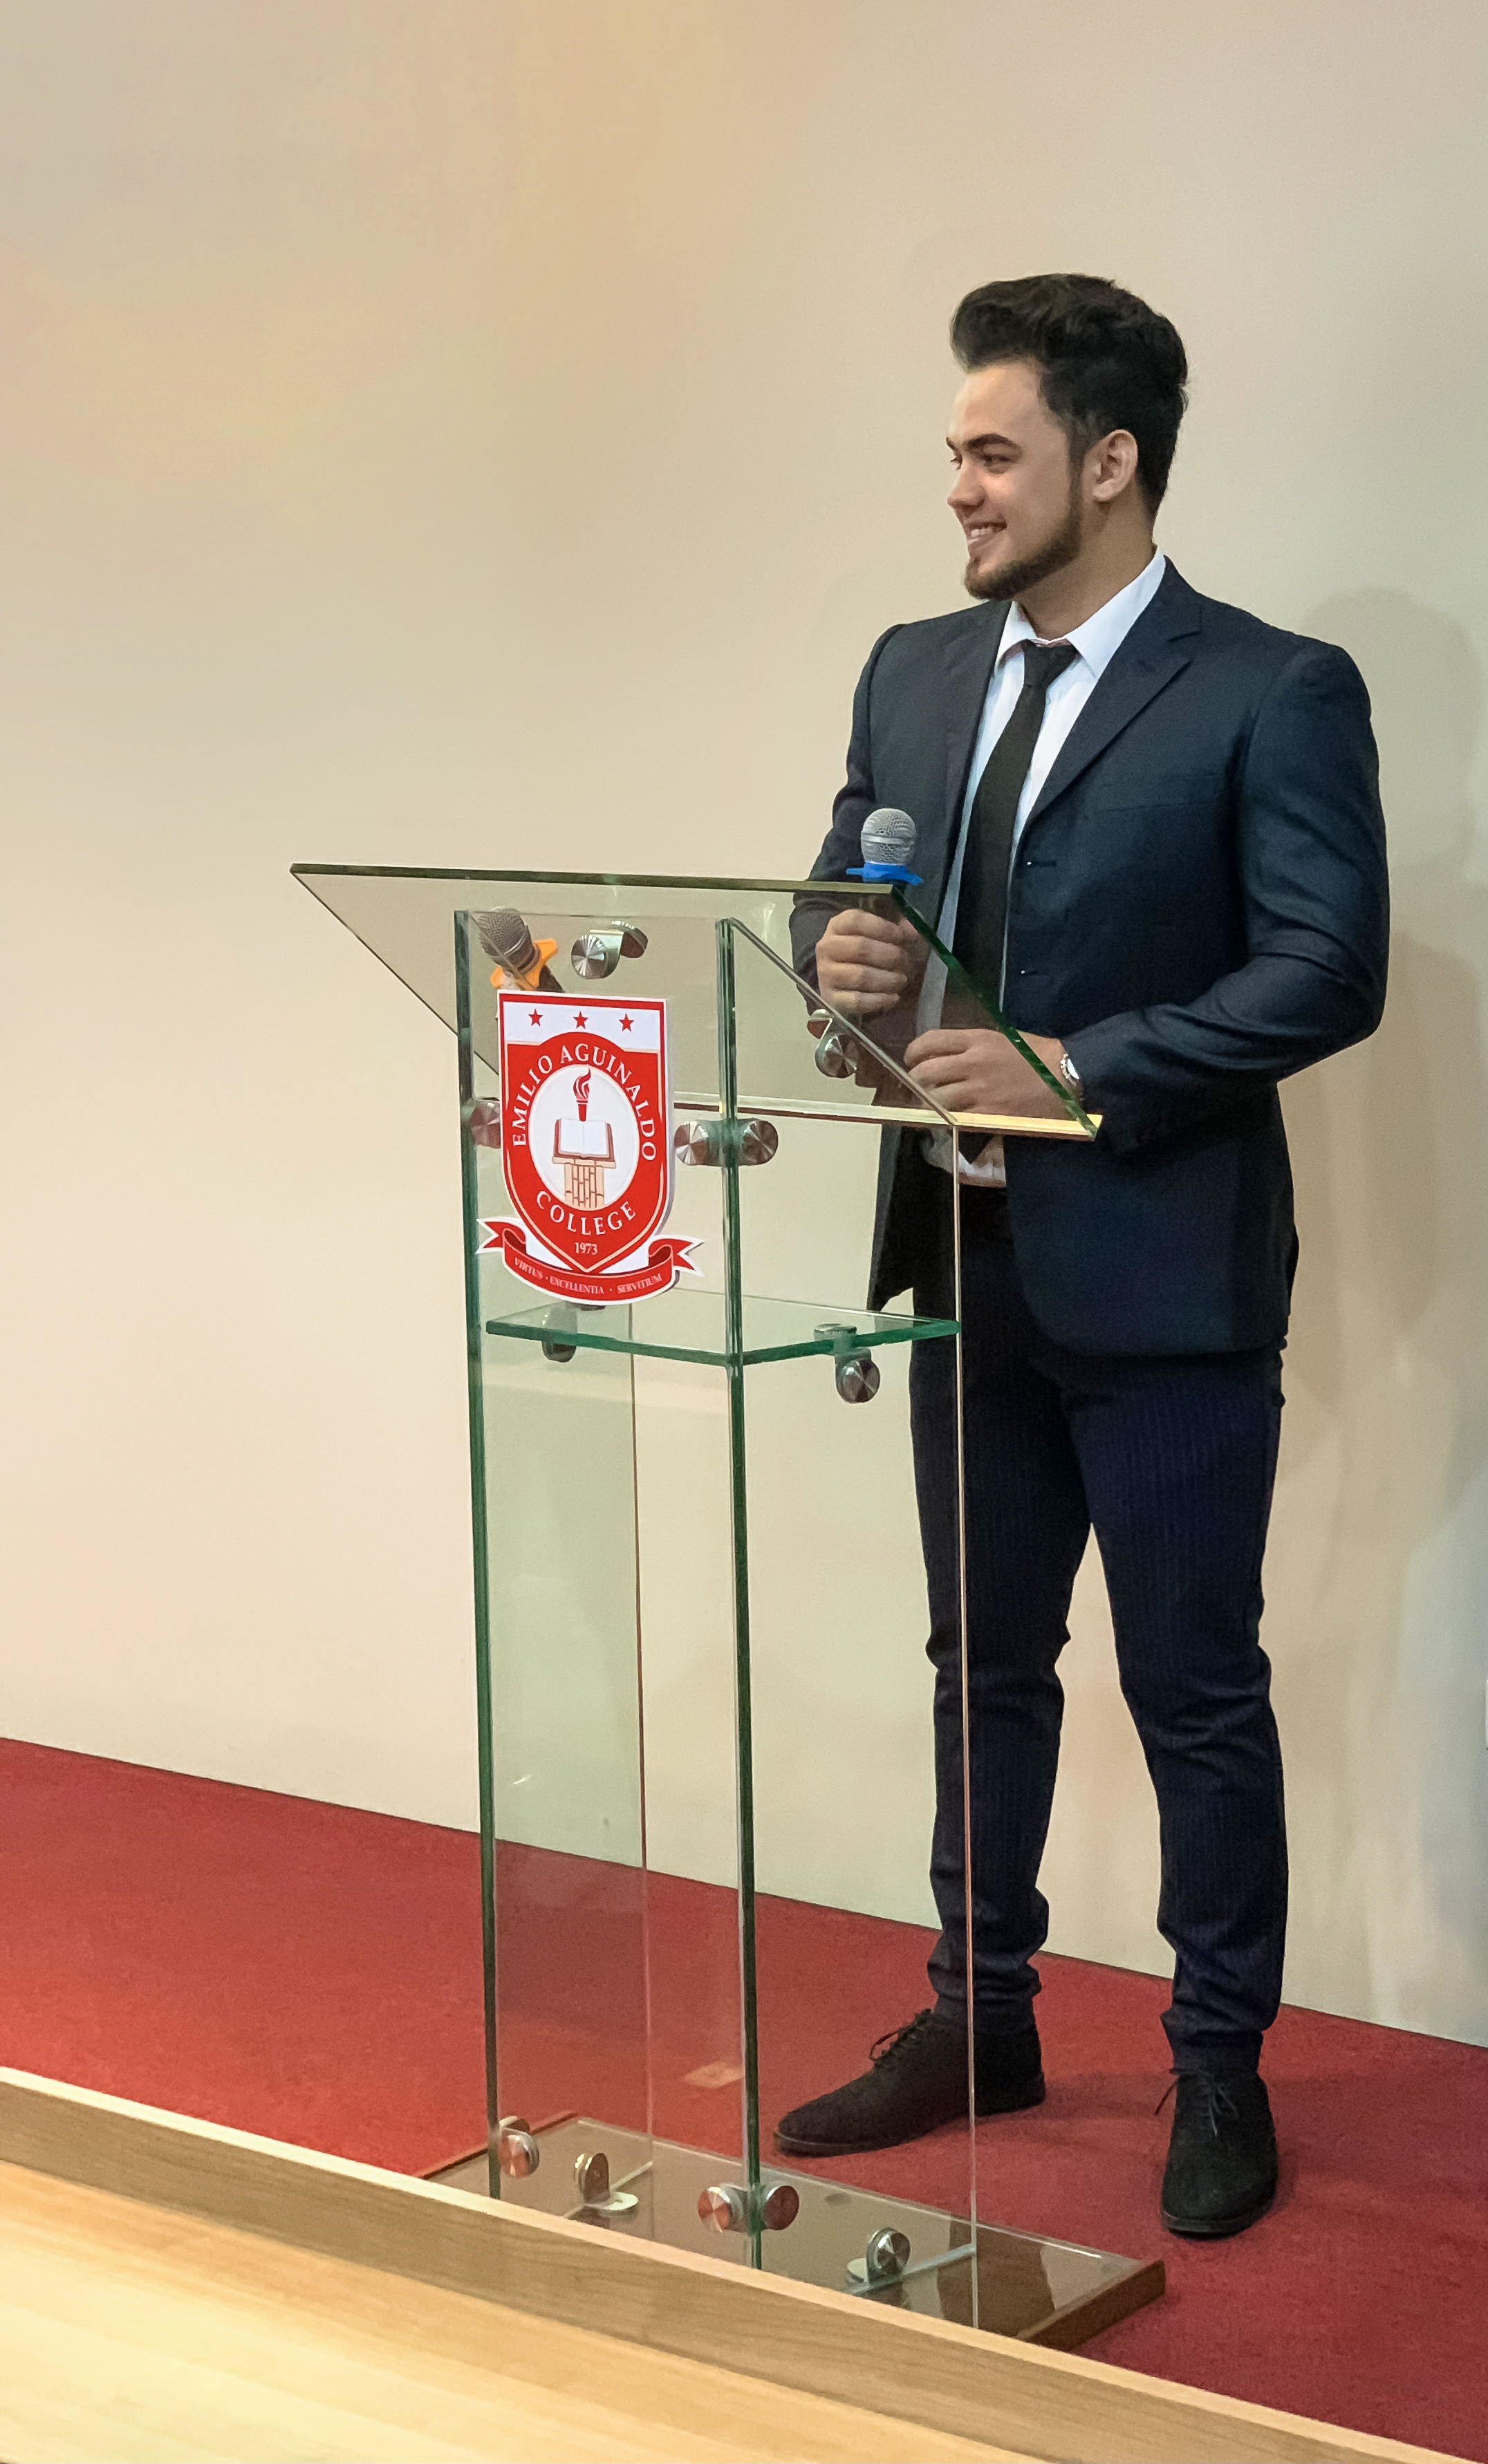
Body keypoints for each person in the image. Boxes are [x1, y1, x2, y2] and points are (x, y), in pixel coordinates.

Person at [779, 274, 1388, 2239]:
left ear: (1108, 464)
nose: (956, 484)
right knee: (984, 1666)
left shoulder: (1269, 689)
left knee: (1193, 1683)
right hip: (965, 1261)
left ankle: (1220, 2065)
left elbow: (1325, 965)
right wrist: (838, 961)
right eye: (956, 449)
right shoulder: (912, 669)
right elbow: (834, 891)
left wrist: (1075, 1067)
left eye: (991, 449)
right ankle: (984, 2014)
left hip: (1169, 1276)